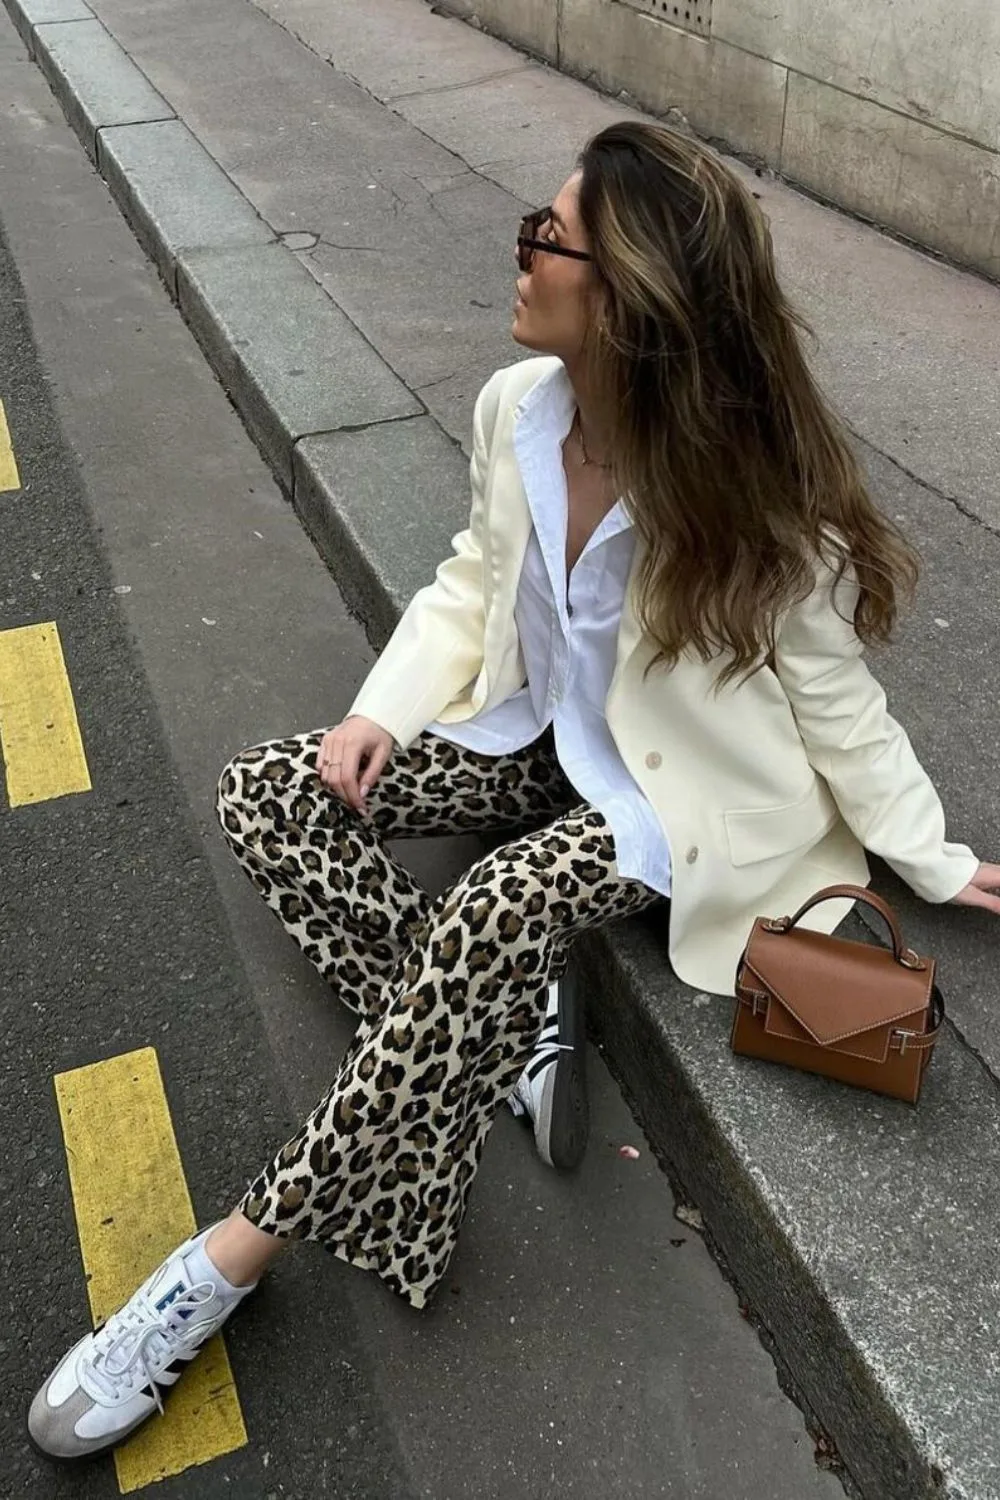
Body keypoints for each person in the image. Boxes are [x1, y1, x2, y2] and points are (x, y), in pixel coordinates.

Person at [29, 121, 999, 1462]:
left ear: (631, 298)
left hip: (673, 806)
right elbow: (476, 581)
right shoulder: (516, 410)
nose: (522, 249)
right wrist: (378, 713)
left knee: (496, 899)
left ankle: (222, 1264)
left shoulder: (742, 486)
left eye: (551, 236)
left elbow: (834, 691)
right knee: (267, 790)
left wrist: (929, 853)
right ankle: (485, 1031)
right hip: (543, 738)